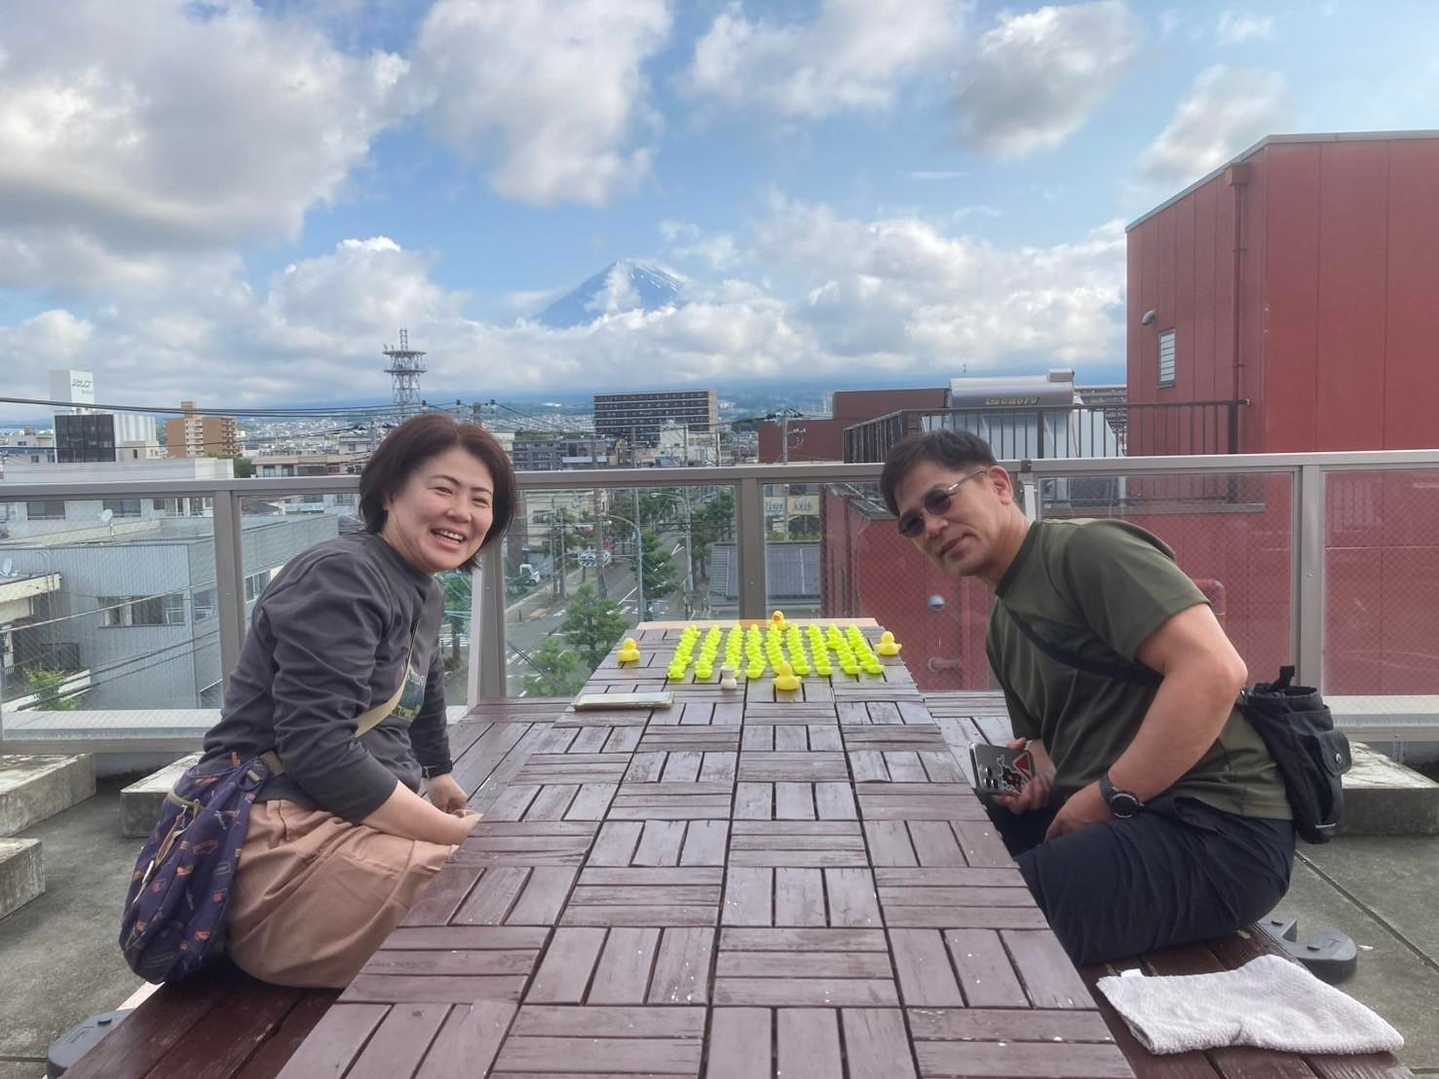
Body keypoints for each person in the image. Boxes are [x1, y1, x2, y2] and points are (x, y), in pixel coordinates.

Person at [880, 429, 1295, 965]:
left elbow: (1215, 670)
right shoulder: (1003, 623)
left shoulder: (1087, 551)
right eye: (913, 523)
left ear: (1000, 485)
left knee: (967, 928)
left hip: (1215, 829)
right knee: (923, 854)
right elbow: (1044, 747)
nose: (933, 526)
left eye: (942, 499)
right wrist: (1013, 779)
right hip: (1126, 816)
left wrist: (1107, 797)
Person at [197, 412, 514, 987]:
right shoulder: (342, 576)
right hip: (279, 839)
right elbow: (316, 748)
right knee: (500, 891)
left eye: (480, 500)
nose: (462, 512)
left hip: (339, 824)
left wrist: (439, 772)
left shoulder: (419, 587)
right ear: (390, 492)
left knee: (517, 884)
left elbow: (423, 681)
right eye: (443, 490)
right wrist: (455, 833)